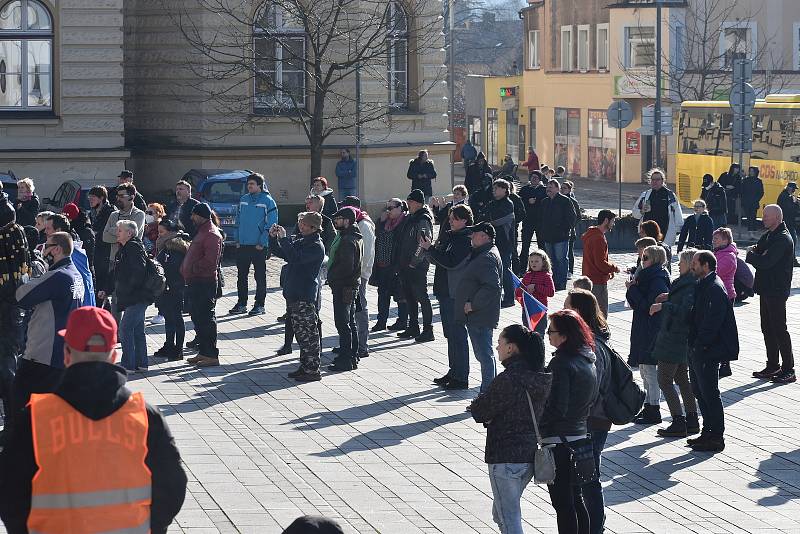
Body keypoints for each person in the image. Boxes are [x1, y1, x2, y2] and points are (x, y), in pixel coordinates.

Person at [0, 306, 187, 534]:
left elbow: (10, 492)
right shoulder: (145, 417)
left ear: (67, 355)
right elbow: (173, 486)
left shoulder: (35, 419)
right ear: (114, 355)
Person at [470, 324, 552, 534]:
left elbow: (480, 411)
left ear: (511, 348)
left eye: (500, 343)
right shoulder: (539, 376)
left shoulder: (509, 378)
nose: (497, 348)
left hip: (505, 457)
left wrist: (478, 402)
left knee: (509, 519)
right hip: (527, 456)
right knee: (501, 513)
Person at [10, 232, 83, 425]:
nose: (43, 250)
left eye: (47, 246)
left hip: (43, 354)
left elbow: (21, 296)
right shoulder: (75, 274)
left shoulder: (58, 276)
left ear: (57, 249)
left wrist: (23, 276)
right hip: (62, 351)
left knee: (20, 403)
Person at [540, 309, 598, 534]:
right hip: (579, 436)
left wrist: (538, 424)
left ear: (564, 336)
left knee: (563, 504)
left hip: (560, 441)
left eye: (551, 331)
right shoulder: (587, 359)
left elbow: (557, 407)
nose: (548, 335)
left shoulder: (561, 363)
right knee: (575, 498)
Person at [562, 289, 611, 534]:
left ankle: (594, 528)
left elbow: (594, 386)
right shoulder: (586, 342)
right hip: (588, 419)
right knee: (583, 477)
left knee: (589, 478)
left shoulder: (594, 346)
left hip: (592, 420)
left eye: (567, 306)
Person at [687, 251, 739, 452]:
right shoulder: (704, 284)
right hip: (699, 348)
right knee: (699, 391)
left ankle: (716, 436)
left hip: (709, 350)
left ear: (705, 265)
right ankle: (707, 432)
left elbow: (711, 324)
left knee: (710, 393)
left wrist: (700, 346)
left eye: (695, 263)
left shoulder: (714, 288)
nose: (692, 266)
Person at [421, 204, 473, 390]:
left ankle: (461, 376)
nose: (450, 221)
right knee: (450, 334)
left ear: (465, 220)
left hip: (455, 293)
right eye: (450, 218)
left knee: (458, 334)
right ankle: (453, 371)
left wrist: (432, 250)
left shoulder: (465, 239)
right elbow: (440, 259)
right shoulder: (452, 236)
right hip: (445, 290)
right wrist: (429, 250)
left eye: (454, 219)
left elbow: (451, 262)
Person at [270, 212, 326, 381]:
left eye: (304, 224)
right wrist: (273, 239)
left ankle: (313, 369)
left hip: (304, 295)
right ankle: (305, 366)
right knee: (301, 335)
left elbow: (295, 258)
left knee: (309, 334)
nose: (300, 226)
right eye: (300, 223)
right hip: (294, 293)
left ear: (313, 227)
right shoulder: (303, 241)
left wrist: (285, 239)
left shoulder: (316, 246)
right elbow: (284, 253)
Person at [747, 204, 795, 384]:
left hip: (776, 290)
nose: (763, 218)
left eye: (766, 216)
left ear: (777, 218)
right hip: (766, 289)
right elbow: (757, 250)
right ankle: (773, 365)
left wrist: (754, 256)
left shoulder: (782, 238)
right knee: (767, 328)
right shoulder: (770, 235)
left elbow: (765, 261)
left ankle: (789, 369)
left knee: (779, 329)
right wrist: (757, 254)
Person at [455, 222, 502, 395]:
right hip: (479, 314)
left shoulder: (487, 257)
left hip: (480, 314)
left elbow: (492, 286)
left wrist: (473, 304)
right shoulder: (482, 253)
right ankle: (488, 393)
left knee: (484, 355)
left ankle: (487, 395)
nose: (471, 236)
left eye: (475, 233)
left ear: (485, 236)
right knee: (483, 354)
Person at [626, 245, 670, 424]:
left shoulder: (657, 278)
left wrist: (633, 290)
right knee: (644, 369)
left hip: (651, 328)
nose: (642, 261)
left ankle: (654, 408)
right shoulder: (646, 276)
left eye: (646, 258)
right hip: (643, 327)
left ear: (656, 259)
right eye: (642, 257)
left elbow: (647, 305)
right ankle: (648, 405)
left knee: (650, 370)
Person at [103, 220, 151, 372]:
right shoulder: (125, 248)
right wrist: (107, 289)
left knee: (125, 329)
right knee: (137, 330)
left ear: (129, 233)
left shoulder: (133, 247)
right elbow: (116, 272)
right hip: (135, 296)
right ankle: (142, 363)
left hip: (136, 296)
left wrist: (129, 289)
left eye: (120, 231)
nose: (117, 233)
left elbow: (139, 271)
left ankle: (128, 365)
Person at [230, 173, 278, 317]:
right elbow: (237, 220)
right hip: (243, 245)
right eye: (248, 184)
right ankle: (241, 303)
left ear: (260, 186)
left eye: (252, 184)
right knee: (241, 276)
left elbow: (271, 224)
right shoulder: (244, 199)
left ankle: (259, 305)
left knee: (260, 276)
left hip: (258, 246)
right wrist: (237, 239)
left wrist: (262, 242)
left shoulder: (268, 201)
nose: (249, 186)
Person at [0, 203, 29, 440]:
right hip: (12, 310)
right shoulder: (16, 233)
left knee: (6, 369)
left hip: (7, 313)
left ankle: (13, 422)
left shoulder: (9, 234)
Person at [182, 203, 223, 367]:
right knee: (198, 317)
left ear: (201, 216)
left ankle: (211, 354)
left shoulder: (212, 234)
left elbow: (211, 262)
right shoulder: (203, 231)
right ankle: (204, 352)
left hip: (204, 282)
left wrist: (191, 268)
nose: (192, 218)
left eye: (194, 215)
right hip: (195, 281)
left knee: (206, 318)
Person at [326, 208, 363, 372]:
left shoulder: (348, 239)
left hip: (344, 286)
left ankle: (346, 358)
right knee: (350, 322)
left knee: (343, 323)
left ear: (347, 220)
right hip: (350, 285)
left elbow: (347, 266)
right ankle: (352, 355)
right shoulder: (351, 235)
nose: (336, 221)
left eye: (339, 218)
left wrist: (332, 276)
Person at [395, 190, 435, 342]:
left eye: (410, 202)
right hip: (406, 264)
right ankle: (413, 326)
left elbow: (423, 243)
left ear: (418, 203)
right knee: (409, 296)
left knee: (421, 296)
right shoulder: (412, 217)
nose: (408, 204)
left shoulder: (422, 219)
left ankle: (427, 329)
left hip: (416, 265)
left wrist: (414, 262)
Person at [341, 197, 375, 359]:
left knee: (360, 309)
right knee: (350, 310)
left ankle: (362, 346)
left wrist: (359, 275)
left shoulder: (364, 225)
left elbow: (366, 254)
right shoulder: (354, 224)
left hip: (359, 275)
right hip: (350, 274)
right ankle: (350, 344)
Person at [153, 219, 189, 361]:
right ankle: (169, 345)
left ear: (171, 232)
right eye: (158, 232)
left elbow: (174, 268)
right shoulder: (166, 246)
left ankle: (178, 349)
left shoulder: (176, 247)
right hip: (166, 287)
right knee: (169, 317)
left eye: (162, 232)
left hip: (175, 287)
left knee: (177, 318)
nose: (159, 235)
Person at [369, 198, 408, 332]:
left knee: (400, 295)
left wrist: (399, 266)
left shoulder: (405, 222)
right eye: (386, 208)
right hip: (382, 264)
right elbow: (377, 234)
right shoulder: (384, 222)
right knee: (383, 295)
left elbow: (403, 246)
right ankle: (381, 322)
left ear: (400, 208)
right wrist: (381, 221)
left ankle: (402, 321)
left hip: (396, 265)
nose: (388, 211)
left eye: (390, 208)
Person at [46, 214, 95, 308]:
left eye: (48, 228)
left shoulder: (72, 254)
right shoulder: (68, 248)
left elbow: (81, 284)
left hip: (79, 310)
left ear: (58, 231)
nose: (45, 232)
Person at [537, 178, 577, 291]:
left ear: (557, 188)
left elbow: (572, 218)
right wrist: (542, 231)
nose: (548, 189)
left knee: (561, 260)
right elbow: (540, 218)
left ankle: (561, 283)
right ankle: (552, 282)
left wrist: (564, 229)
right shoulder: (545, 202)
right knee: (551, 261)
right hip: (548, 236)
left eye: (551, 187)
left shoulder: (565, 201)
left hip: (561, 237)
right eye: (547, 187)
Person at [483, 179, 516, 307]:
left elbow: (496, 220)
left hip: (505, 242)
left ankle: (509, 298)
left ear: (505, 189)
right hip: (492, 242)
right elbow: (484, 217)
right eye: (493, 188)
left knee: (506, 271)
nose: (494, 191)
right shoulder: (492, 203)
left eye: (497, 188)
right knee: (494, 271)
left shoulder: (508, 204)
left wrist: (487, 222)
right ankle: (496, 296)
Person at [631, 168, 683, 250]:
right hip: (647, 231)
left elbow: (677, 212)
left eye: (657, 179)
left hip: (665, 230)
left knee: (664, 255)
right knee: (646, 255)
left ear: (663, 181)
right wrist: (642, 211)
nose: (655, 181)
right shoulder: (645, 195)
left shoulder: (670, 195)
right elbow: (635, 213)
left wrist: (678, 229)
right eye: (653, 179)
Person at [580, 210, 620, 316]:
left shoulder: (592, 234)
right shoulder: (598, 238)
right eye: (612, 221)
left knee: (589, 313)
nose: (613, 224)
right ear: (606, 220)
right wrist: (614, 268)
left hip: (588, 277)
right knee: (600, 314)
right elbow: (600, 263)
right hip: (597, 281)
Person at [103, 183, 146, 265]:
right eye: (118, 196)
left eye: (122, 196)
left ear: (131, 197)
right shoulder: (114, 215)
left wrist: (112, 230)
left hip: (131, 260)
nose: (118, 199)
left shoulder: (139, 214)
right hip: (114, 260)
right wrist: (123, 234)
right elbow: (105, 237)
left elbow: (131, 237)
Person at [88, 186, 116, 304]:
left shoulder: (110, 212)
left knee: (102, 285)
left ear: (101, 198)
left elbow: (106, 232)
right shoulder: (92, 213)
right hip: (95, 251)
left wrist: (96, 233)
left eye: (93, 197)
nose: (90, 200)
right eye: (89, 197)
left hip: (106, 251)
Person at [516, 250, 554, 336]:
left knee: (539, 334)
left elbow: (551, 292)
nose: (534, 263)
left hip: (539, 310)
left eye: (537, 261)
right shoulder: (527, 275)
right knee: (527, 332)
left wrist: (536, 287)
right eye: (531, 261)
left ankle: (539, 348)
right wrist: (520, 289)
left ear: (544, 262)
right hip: (527, 309)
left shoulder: (546, 276)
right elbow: (519, 291)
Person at [518, 171, 548, 273]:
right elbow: (519, 202)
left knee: (542, 246)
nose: (534, 179)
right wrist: (527, 201)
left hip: (541, 222)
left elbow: (546, 203)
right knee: (525, 246)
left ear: (540, 179)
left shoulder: (544, 190)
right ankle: (522, 268)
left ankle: (543, 268)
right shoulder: (525, 189)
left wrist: (537, 201)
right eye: (532, 177)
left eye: (536, 177)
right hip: (528, 221)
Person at [560, 180, 581, 277]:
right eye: (561, 188)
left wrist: (571, 226)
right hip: (559, 231)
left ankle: (570, 270)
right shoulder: (558, 199)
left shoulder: (573, 201)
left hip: (570, 231)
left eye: (565, 188)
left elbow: (578, 217)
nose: (562, 190)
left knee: (569, 251)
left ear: (569, 190)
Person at [776, 181, 799, 265]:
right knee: (792, 240)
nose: (794, 191)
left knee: (790, 241)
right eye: (793, 189)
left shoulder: (788, 196)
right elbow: (788, 209)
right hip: (787, 222)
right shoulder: (784, 196)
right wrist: (795, 202)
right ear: (789, 188)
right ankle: (792, 260)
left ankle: (790, 259)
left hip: (788, 222)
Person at [712, 227, 737, 302]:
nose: (713, 241)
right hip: (717, 292)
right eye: (713, 238)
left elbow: (716, 272)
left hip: (725, 294)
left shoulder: (729, 256)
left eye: (716, 239)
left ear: (725, 241)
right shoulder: (717, 252)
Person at [740, 166, 765, 231]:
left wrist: (756, 199)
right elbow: (742, 191)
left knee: (753, 217)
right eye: (750, 171)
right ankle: (751, 231)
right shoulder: (745, 180)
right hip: (746, 202)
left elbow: (761, 192)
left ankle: (752, 231)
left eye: (752, 171)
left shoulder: (759, 181)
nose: (751, 173)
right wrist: (744, 199)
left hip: (754, 202)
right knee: (749, 217)